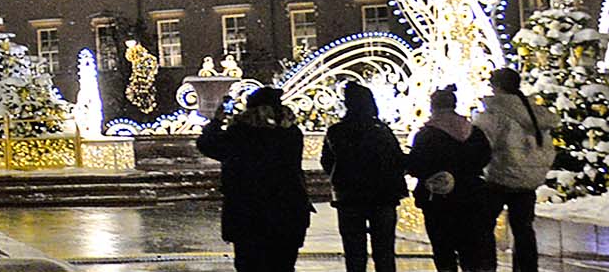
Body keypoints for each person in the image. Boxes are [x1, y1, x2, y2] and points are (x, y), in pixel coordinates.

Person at [198, 87, 313, 272]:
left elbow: (207, 144)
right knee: (283, 265)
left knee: (249, 264)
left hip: (248, 212)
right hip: (288, 210)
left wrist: (217, 121)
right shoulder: (291, 134)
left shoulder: (240, 134)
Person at [473, 68, 558, 272]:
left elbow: (480, 146)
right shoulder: (534, 113)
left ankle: (486, 267)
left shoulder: (494, 114)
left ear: (497, 86)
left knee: (483, 226)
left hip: (498, 178)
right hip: (527, 181)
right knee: (523, 230)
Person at [321, 83, 407, 272]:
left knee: (354, 252)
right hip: (382, 196)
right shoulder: (381, 130)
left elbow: (327, 161)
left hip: (349, 196)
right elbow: (397, 159)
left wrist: (340, 177)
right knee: (384, 251)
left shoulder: (337, 131)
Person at [409, 86, 496, 272]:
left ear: (433, 107)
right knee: (470, 248)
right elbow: (485, 157)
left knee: (443, 247)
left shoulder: (427, 134)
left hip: (438, 198)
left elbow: (416, 165)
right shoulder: (473, 132)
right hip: (471, 194)